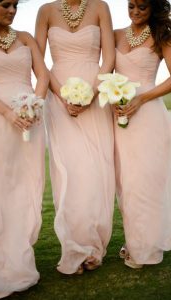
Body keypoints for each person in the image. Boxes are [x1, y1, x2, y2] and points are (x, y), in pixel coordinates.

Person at [0, 0, 49, 298]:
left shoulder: (26, 39)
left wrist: (35, 104)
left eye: (15, 5)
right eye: (6, 4)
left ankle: (19, 259)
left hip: (31, 120)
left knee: (25, 186)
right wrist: (7, 112)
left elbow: (42, 76)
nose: (12, 10)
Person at [35, 0, 115, 275]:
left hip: (96, 95)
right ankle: (73, 248)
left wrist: (92, 93)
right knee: (69, 169)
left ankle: (93, 247)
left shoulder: (100, 7)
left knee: (96, 170)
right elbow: (39, 61)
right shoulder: (45, 11)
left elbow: (110, 58)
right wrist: (61, 96)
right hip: (59, 100)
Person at [114, 0, 171, 269]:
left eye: (142, 8)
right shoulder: (115, 35)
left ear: (154, 8)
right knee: (126, 182)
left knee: (146, 181)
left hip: (148, 115)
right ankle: (134, 240)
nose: (135, 13)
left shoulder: (163, 35)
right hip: (119, 116)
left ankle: (146, 247)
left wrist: (141, 98)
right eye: (131, 6)